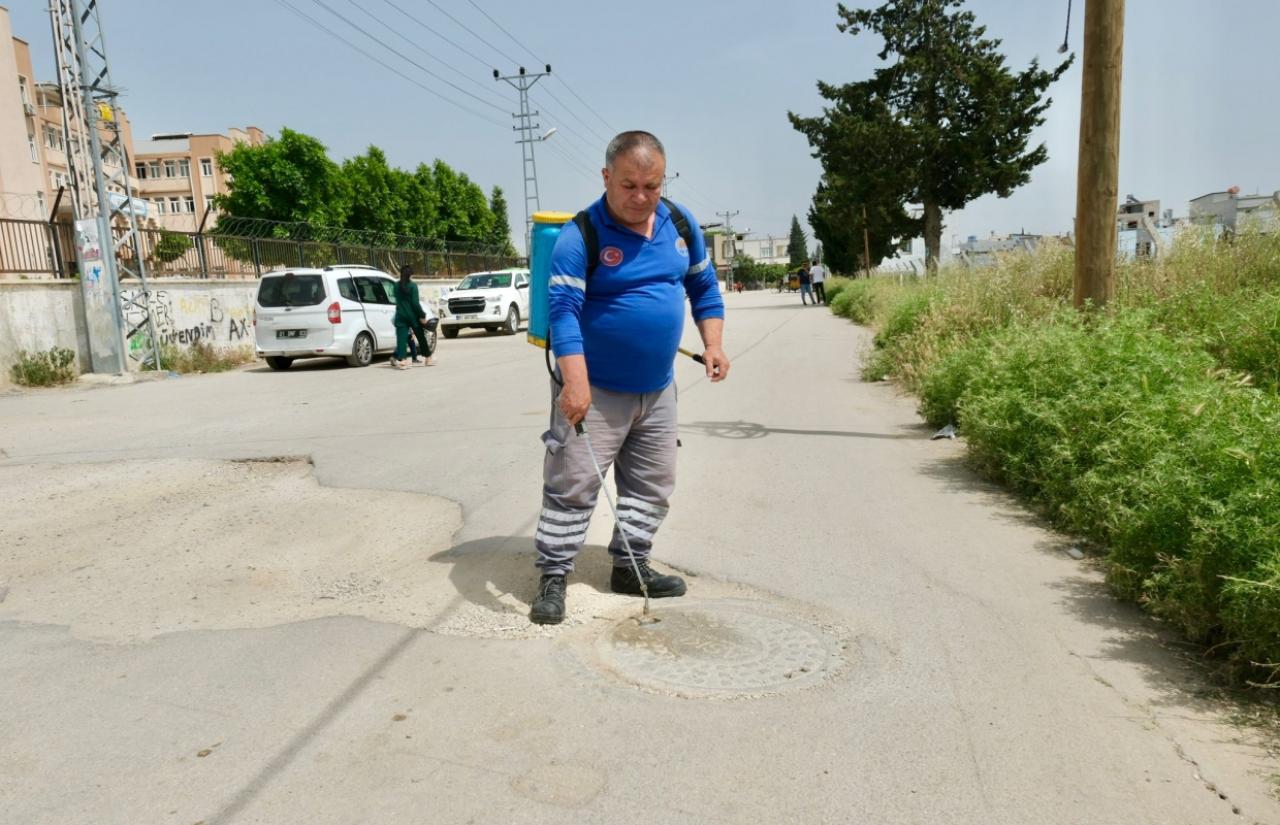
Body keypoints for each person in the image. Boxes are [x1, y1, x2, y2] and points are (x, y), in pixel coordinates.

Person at [529, 130, 729, 625]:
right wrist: (573, 384)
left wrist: (714, 343)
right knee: (573, 485)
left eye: (652, 186)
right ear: (606, 178)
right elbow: (564, 311)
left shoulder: (680, 225)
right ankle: (554, 576)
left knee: (652, 485)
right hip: (594, 390)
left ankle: (630, 565)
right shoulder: (582, 235)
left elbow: (704, 286)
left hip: (658, 388)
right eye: (629, 185)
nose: (640, 197)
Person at [392, 265, 434, 369]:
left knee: (401, 339)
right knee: (420, 337)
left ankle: (403, 361)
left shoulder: (396, 286)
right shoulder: (413, 286)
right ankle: (428, 358)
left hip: (400, 315)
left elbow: (397, 300)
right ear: (410, 275)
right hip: (413, 316)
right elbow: (415, 303)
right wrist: (422, 315)